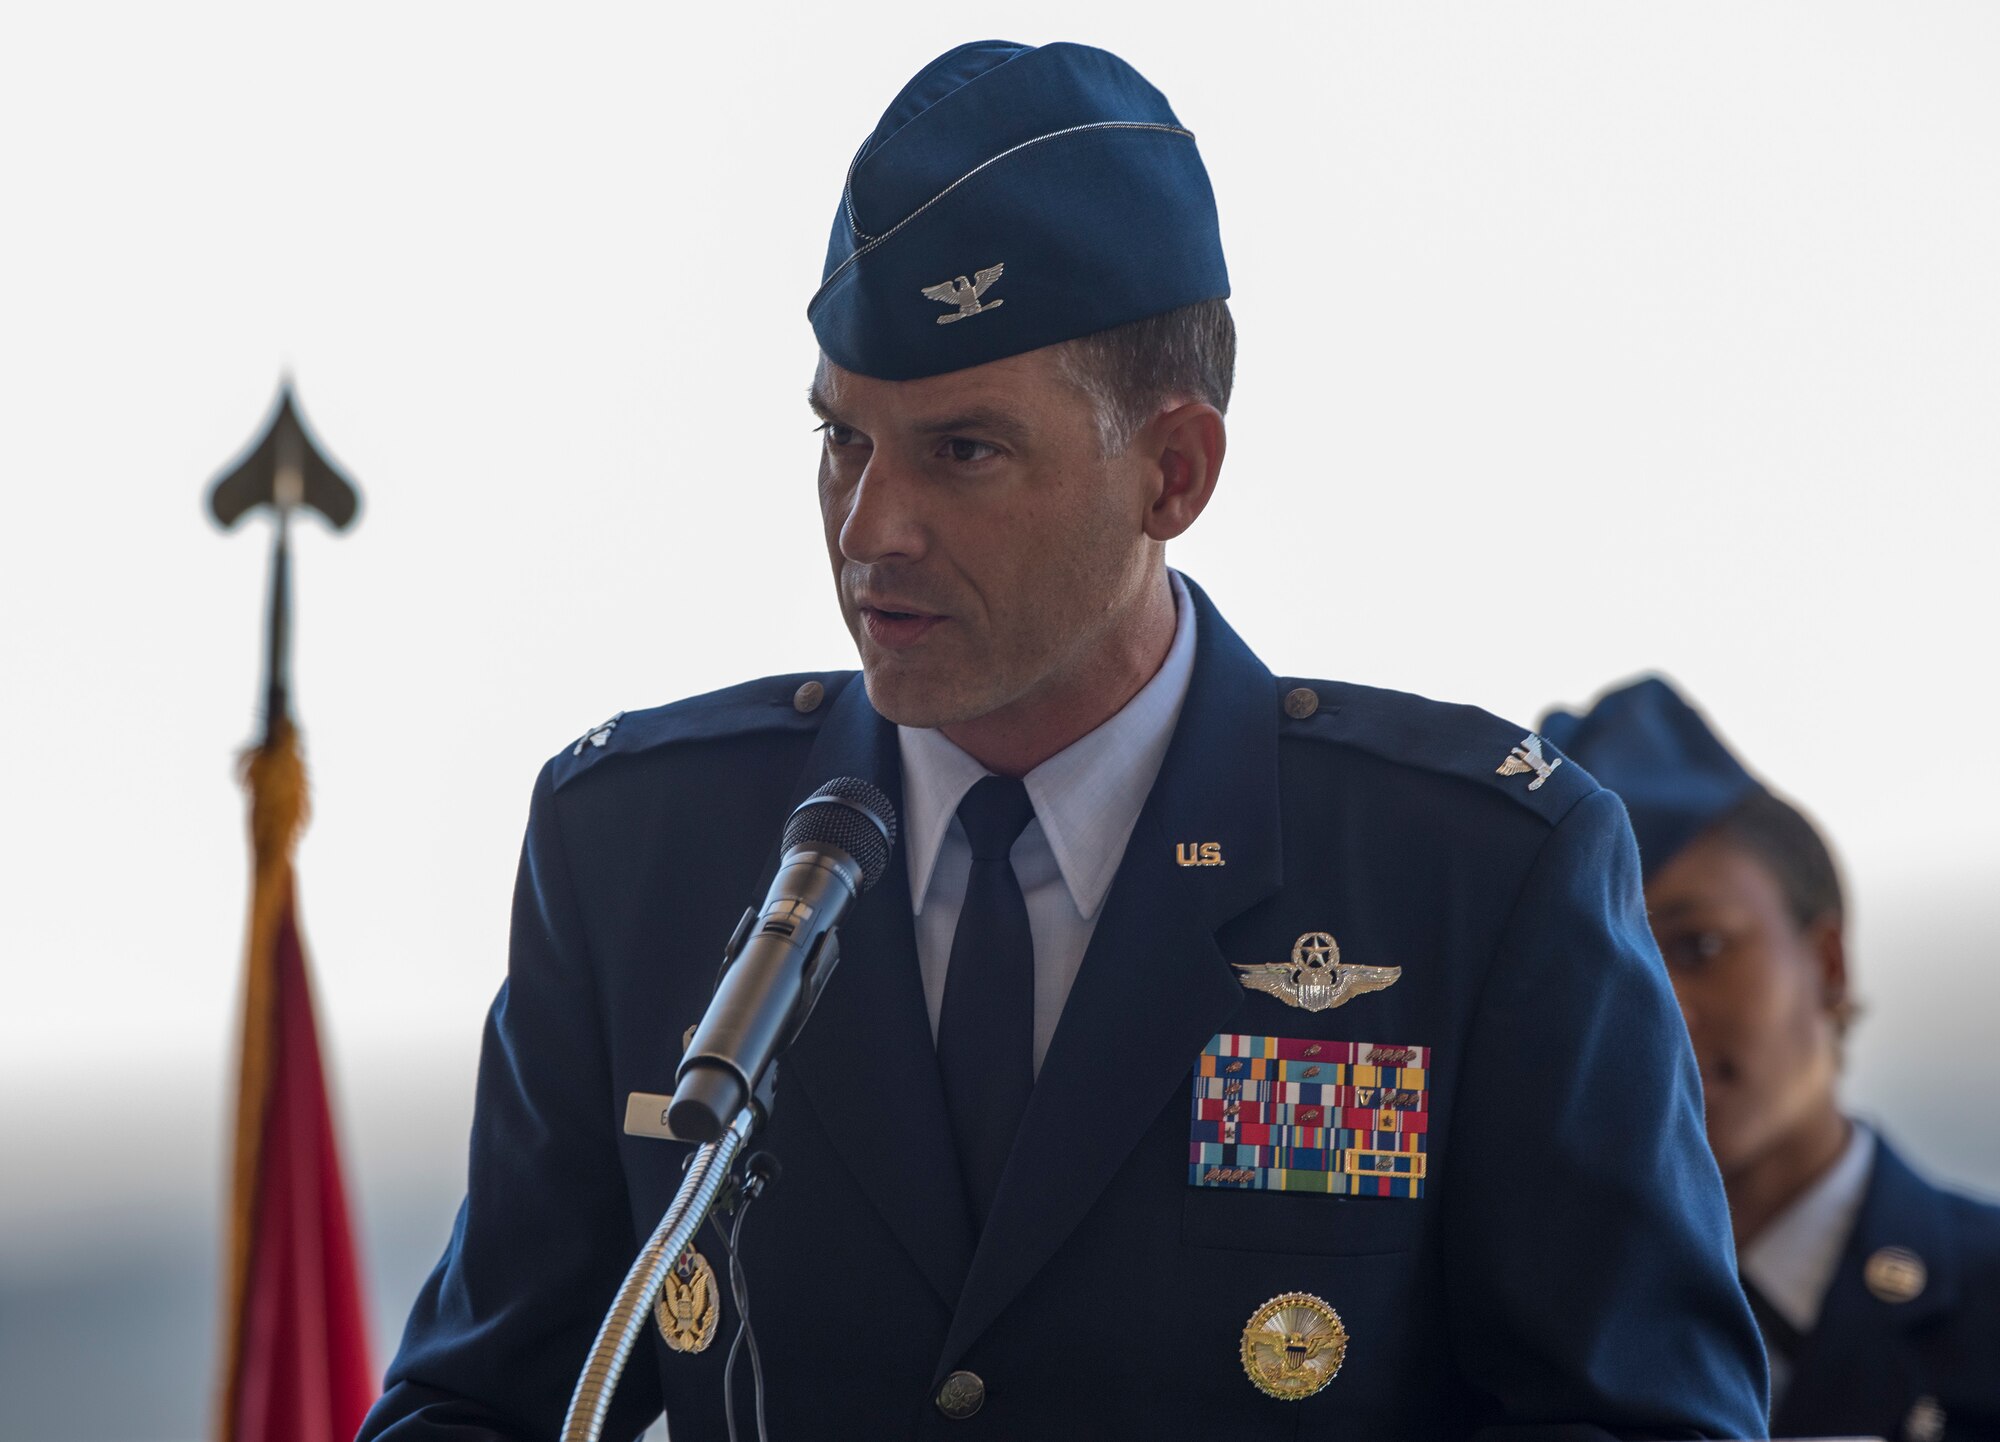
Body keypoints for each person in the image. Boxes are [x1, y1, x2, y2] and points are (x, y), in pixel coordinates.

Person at [361, 41, 1765, 1440]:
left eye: (961, 451)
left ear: (1176, 470)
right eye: (843, 440)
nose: (870, 529)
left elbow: (1650, 1420)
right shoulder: (638, 849)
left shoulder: (1473, 876)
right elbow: (472, 1401)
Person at [1542, 677, 2000, 1442]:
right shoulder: (1521, 1329)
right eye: (1601, 970)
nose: (1653, 1015)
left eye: (1699, 947)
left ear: (1827, 965)